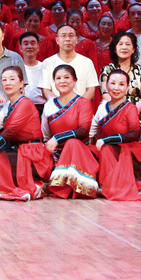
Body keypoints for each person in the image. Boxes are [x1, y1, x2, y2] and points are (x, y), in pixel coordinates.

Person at [0, 67, 48, 201]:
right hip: (19, 150)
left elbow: (10, 132)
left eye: (12, 79)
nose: (7, 83)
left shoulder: (25, 103)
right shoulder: (9, 104)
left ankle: (8, 190)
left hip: (32, 153)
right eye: (4, 80)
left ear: (21, 83)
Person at [89, 69, 141, 201]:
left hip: (127, 149)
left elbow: (135, 134)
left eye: (121, 84)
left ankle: (109, 186)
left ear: (127, 87)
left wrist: (107, 140)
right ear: (106, 85)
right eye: (113, 83)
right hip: (105, 147)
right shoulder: (102, 108)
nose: (116, 88)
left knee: (106, 149)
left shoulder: (130, 108)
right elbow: (93, 131)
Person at [42, 65, 98, 199]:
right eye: (58, 78)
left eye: (66, 77)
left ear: (74, 81)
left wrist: (57, 138)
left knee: (72, 142)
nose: (62, 81)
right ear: (54, 82)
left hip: (79, 152)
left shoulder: (83, 103)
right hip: (56, 153)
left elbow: (84, 131)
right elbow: (46, 135)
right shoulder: (49, 105)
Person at [38, 25, 99, 102]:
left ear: (76, 39)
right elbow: (45, 90)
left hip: (81, 106)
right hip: (56, 107)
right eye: (63, 36)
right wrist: (60, 105)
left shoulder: (87, 62)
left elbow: (91, 89)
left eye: (71, 36)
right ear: (57, 40)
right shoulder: (47, 63)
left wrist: (78, 105)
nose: (67, 39)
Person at [99, 32, 141, 118]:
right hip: (113, 115)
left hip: (137, 115)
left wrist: (133, 112)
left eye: (128, 44)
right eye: (120, 44)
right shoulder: (107, 70)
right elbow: (105, 94)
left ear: (133, 49)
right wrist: (120, 112)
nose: (124, 47)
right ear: (114, 49)